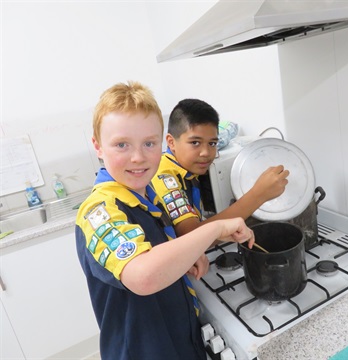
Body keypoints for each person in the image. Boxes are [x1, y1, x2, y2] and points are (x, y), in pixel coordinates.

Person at [75, 81, 255, 360]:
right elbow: (143, 276)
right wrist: (215, 230)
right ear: (98, 146)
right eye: (121, 144)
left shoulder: (146, 194)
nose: (138, 157)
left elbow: (158, 250)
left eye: (149, 143)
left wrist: (184, 257)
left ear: (161, 142)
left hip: (177, 341)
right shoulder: (100, 211)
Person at [151, 98, 289, 280]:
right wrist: (258, 195)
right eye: (195, 143)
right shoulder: (165, 176)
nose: (206, 153)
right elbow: (191, 235)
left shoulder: (185, 168)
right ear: (170, 142)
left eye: (212, 143)